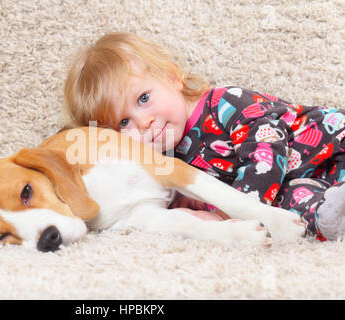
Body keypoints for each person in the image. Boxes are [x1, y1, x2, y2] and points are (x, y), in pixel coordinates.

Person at [63, 32, 345, 241]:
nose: (144, 122)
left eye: (144, 98)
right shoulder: (165, 160)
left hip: (331, 143)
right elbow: (186, 197)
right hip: (301, 185)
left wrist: (230, 213)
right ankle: (330, 213)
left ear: (173, 77)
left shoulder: (225, 103)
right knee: (297, 211)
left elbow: (267, 151)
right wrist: (193, 212)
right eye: (124, 122)